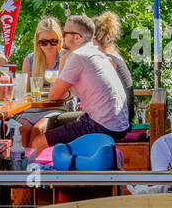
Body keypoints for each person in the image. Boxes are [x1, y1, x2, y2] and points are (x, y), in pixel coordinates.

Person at [21, 15, 129, 149]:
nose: (63, 37)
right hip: (118, 124)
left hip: (101, 125)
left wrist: (61, 65)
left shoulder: (78, 56)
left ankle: (35, 169)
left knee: (38, 142)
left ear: (77, 37)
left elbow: (54, 95)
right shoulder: (96, 53)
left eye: (65, 33)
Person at [94, 11, 135, 126]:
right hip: (123, 118)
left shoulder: (106, 60)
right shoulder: (115, 56)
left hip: (117, 122)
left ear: (93, 39)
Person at [22, 17, 66, 88]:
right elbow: (26, 92)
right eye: (43, 42)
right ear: (37, 40)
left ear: (60, 40)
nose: (48, 46)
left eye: (53, 41)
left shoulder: (67, 58)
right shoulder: (29, 60)